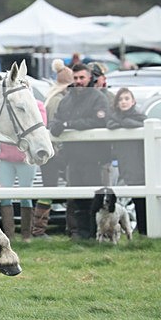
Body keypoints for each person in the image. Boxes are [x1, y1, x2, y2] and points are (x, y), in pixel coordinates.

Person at [48, 63, 110, 240]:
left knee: (94, 199)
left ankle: (95, 234)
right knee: (76, 199)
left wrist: (69, 125)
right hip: (73, 158)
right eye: (75, 78)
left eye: (82, 78)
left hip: (93, 158)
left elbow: (99, 121)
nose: (79, 81)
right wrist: (56, 127)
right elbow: (56, 120)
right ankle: (81, 234)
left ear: (90, 78)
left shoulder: (98, 98)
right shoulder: (66, 100)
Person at [33, 59, 73, 238]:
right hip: (54, 150)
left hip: (51, 150)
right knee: (50, 188)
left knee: (51, 188)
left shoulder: (53, 96)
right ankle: (39, 229)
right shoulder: (58, 100)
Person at [0, 99, 47, 242]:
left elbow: (40, 125)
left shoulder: (38, 105)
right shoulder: (5, 106)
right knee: (4, 195)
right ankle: (9, 236)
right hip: (6, 158)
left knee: (26, 195)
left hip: (26, 158)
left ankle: (26, 235)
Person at [107, 88, 148, 235]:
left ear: (133, 101)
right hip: (125, 163)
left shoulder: (140, 117)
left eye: (126, 98)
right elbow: (110, 124)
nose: (123, 102)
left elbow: (137, 124)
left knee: (142, 199)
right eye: (120, 99)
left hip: (140, 163)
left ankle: (145, 230)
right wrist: (121, 122)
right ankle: (142, 231)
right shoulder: (114, 118)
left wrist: (123, 122)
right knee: (136, 197)